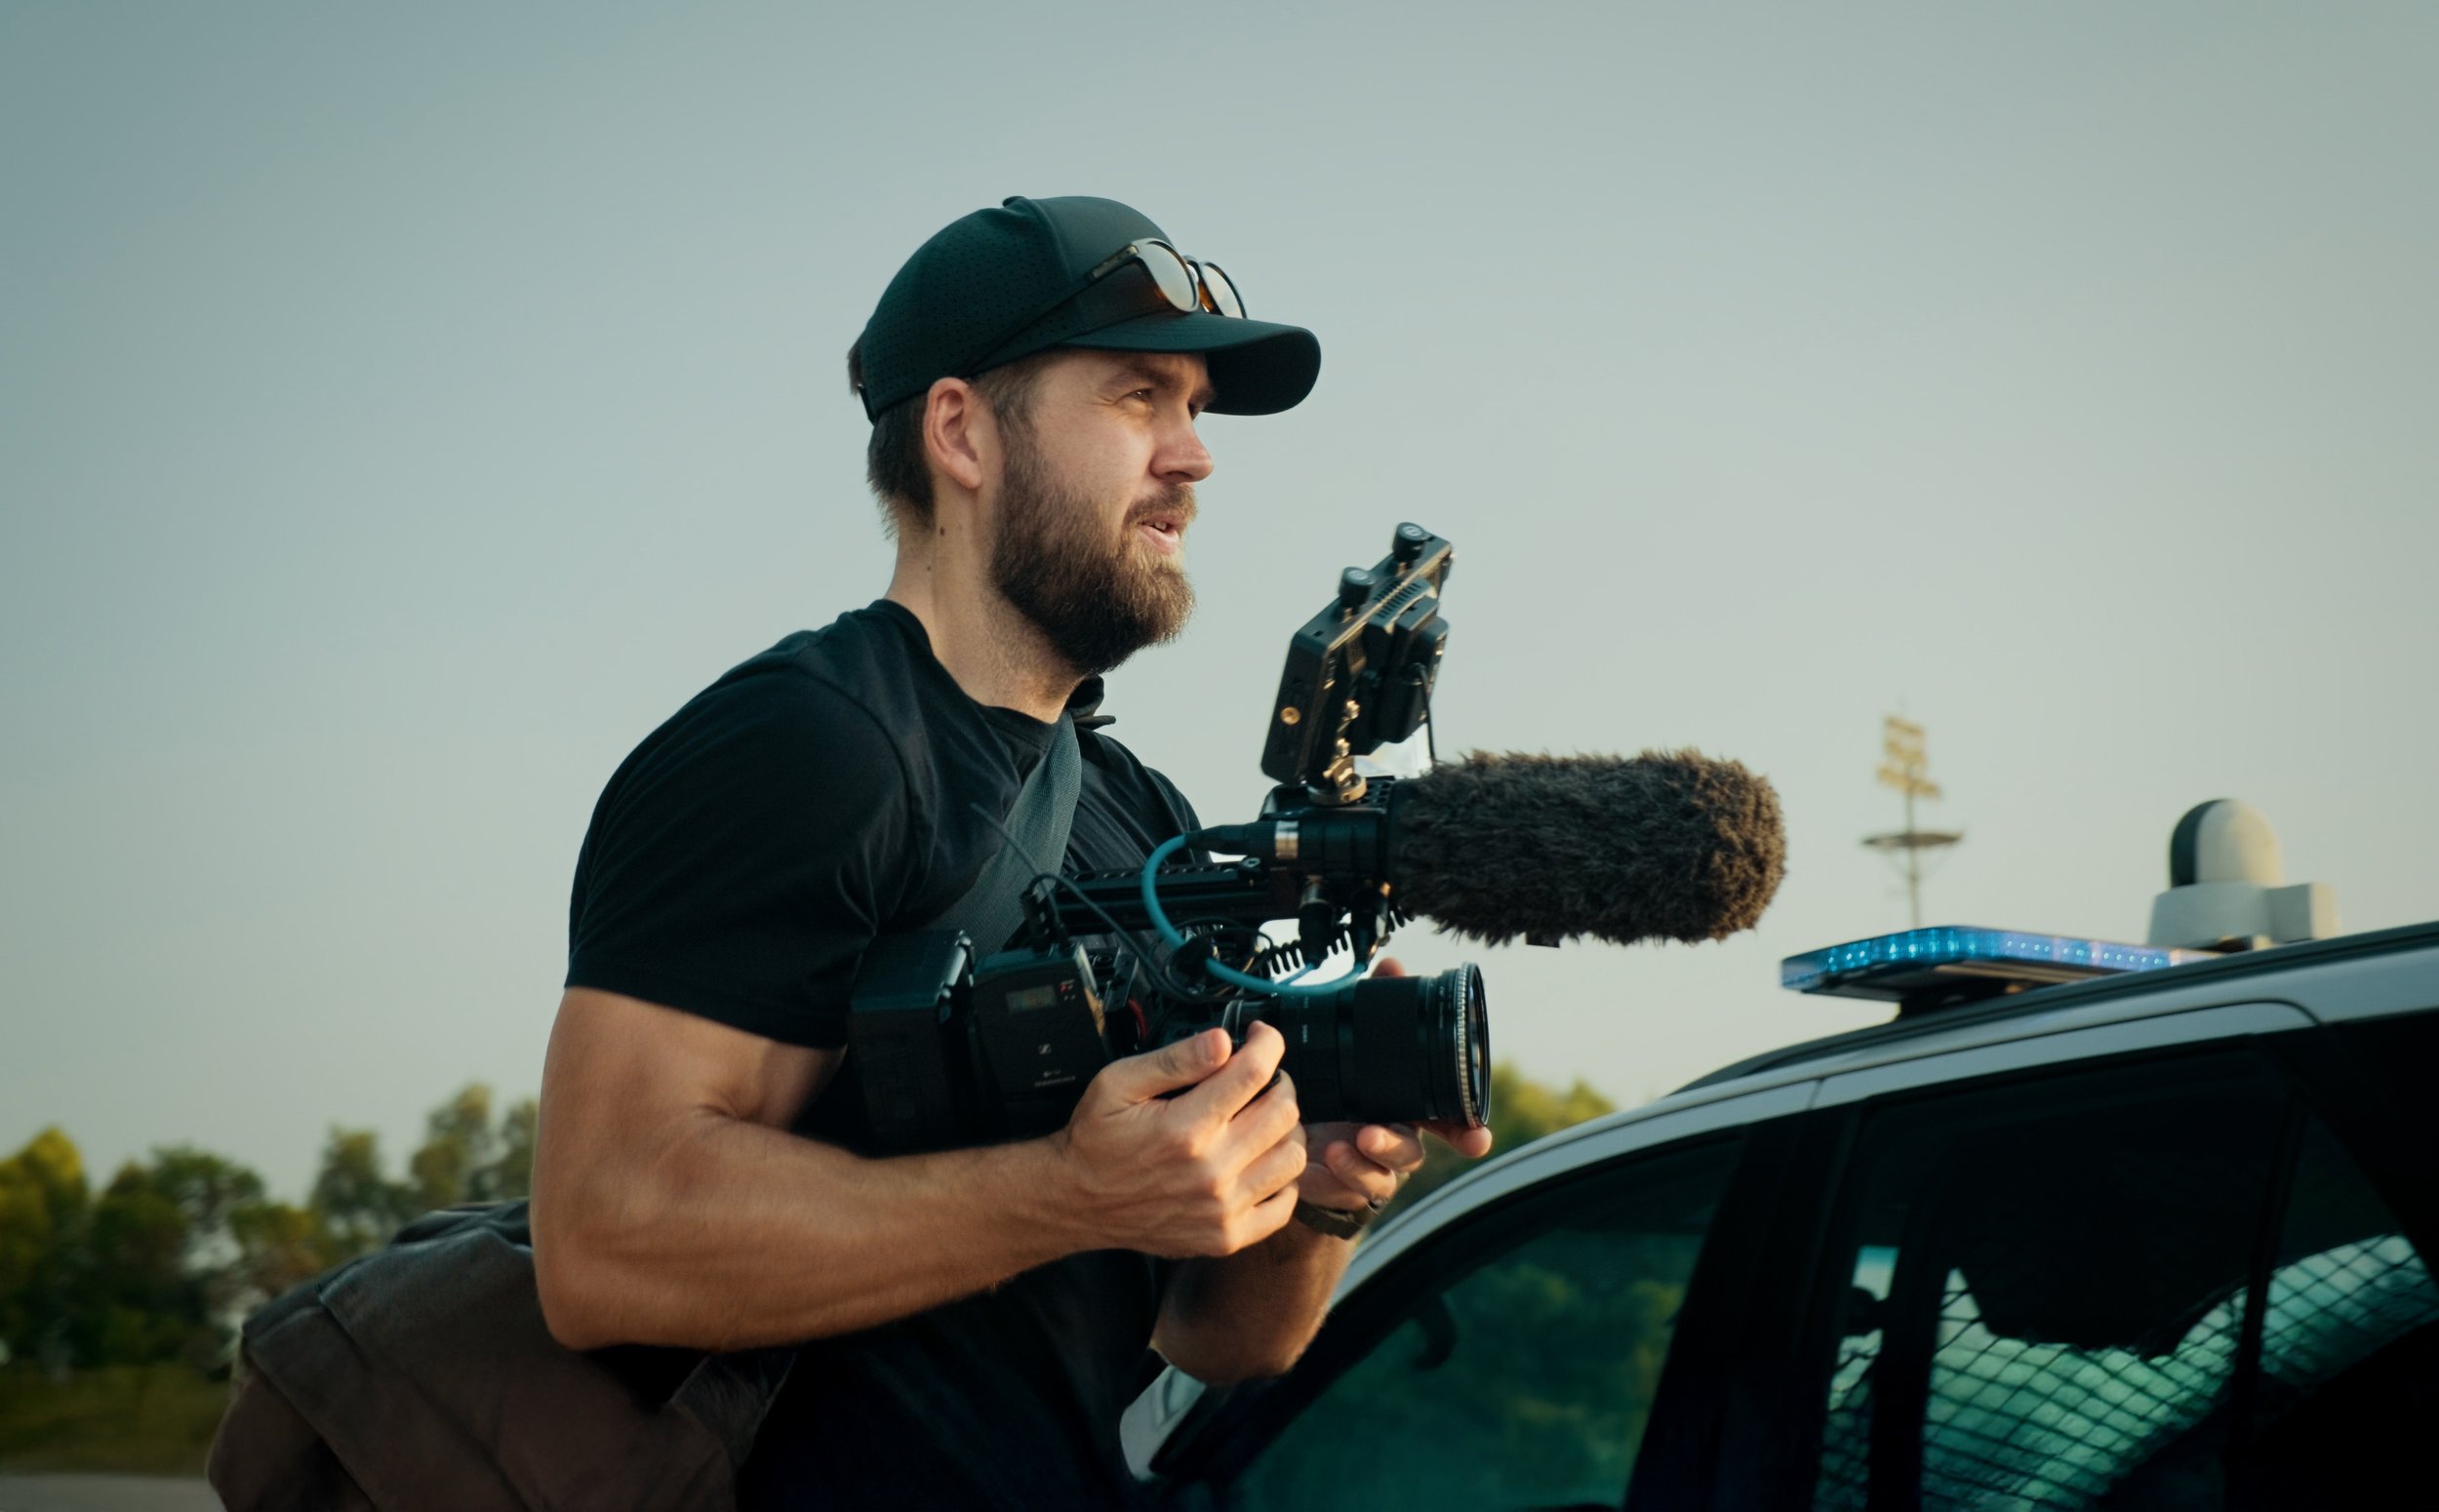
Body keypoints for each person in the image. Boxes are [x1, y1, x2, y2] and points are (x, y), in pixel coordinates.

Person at [529, 194, 1495, 1509]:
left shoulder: (1138, 815)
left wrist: (1313, 1190)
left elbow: (1217, 1330)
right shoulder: (805, 745)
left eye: (1198, 408)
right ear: (961, 431)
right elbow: (606, 1237)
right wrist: (1068, 1193)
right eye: (1138, 396)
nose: (1193, 457)